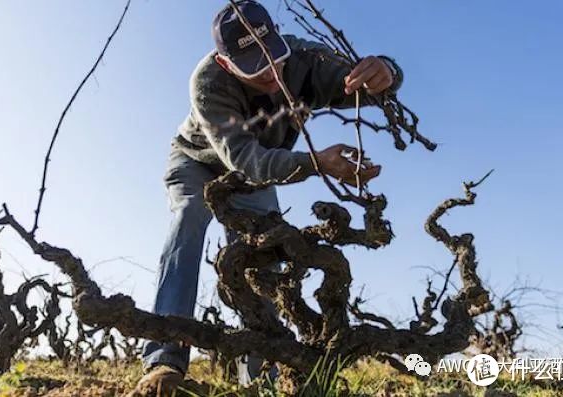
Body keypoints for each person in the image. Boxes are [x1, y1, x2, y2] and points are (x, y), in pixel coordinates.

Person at [132, 1, 404, 394]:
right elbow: (246, 163)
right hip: (199, 163)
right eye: (255, 70)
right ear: (227, 64)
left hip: (256, 172)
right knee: (190, 217)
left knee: (264, 257)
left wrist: (387, 72)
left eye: (274, 59)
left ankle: (260, 378)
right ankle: (163, 363)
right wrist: (317, 163)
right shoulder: (208, 81)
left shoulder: (305, 59)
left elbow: (366, 87)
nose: (272, 74)